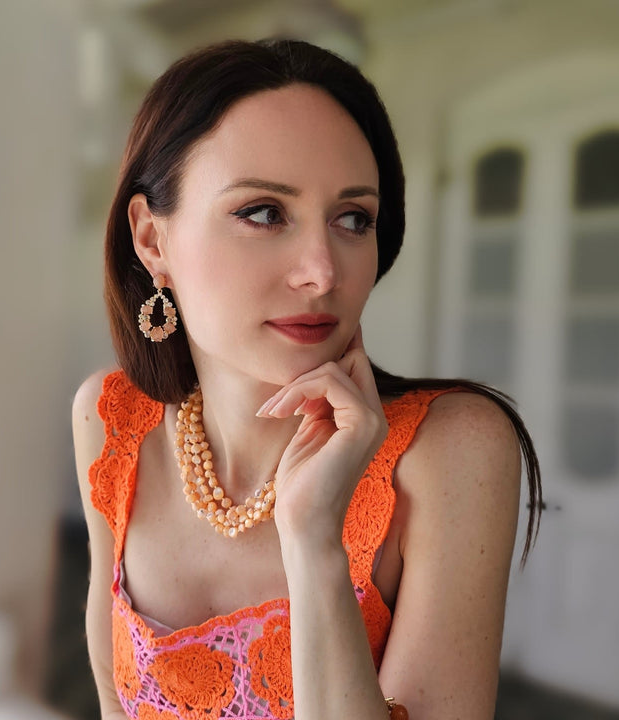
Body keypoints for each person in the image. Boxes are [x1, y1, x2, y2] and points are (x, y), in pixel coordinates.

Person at [72, 39, 541, 720]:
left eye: (354, 218)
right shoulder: (110, 417)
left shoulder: (452, 451)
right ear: (151, 239)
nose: (323, 272)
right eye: (264, 212)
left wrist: (315, 544)